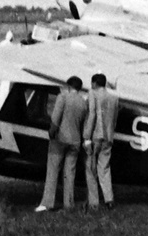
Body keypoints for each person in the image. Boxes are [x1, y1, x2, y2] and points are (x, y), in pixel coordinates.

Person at [36, 76, 89, 212]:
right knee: (69, 173)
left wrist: (51, 133)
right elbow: (84, 124)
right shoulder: (83, 103)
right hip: (75, 141)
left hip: (60, 139)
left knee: (53, 171)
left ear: (68, 86)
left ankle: (47, 203)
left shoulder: (62, 98)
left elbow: (55, 118)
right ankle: (68, 204)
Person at [83, 72, 119, 210]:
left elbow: (92, 114)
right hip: (109, 136)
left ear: (94, 83)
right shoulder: (114, 98)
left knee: (90, 168)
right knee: (104, 168)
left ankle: (94, 202)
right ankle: (109, 199)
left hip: (95, 135)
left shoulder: (93, 94)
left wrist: (87, 137)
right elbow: (114, 119)